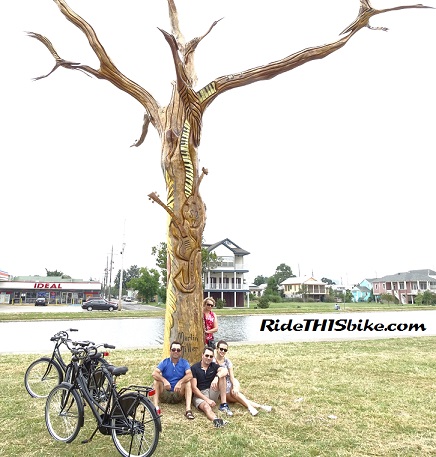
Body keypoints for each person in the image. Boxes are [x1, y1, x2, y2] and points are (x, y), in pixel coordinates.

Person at [214, 340, 272, 416]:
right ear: (217, 349)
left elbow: (232, 376)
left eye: (225, 350)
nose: (223, 351)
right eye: (221, 349)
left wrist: (234, 387)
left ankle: (251, 408)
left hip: (231, 382)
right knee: (237, 399)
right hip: (223, 387)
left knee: (235, 393)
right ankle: (261, 406)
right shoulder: (212, 360)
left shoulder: (228, 361)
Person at [190, 345, 233, 427]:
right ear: (202, 355)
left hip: (212, 391)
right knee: (206, 406)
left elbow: (225, 370)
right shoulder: (195, 368)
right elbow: (194, 388)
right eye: (206, 355)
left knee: (222, 376)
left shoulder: (213, 366)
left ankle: (224, 404)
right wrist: (207, 400)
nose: (208, 358)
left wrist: (217, 377)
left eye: (211, 356)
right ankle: (216, 420)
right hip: (200, 395)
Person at [151, 340, 195, 420]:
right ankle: (155, 408)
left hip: (177, 393)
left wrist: (180, 382)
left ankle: (188, 410)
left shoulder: (184, 363)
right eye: (173, 349)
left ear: (181, 352)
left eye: (178, 350)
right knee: (156, 381)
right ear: (170, 351)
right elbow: (154, 373)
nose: (176, 352)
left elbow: (190, 375)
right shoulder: (165, 362)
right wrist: (164, 380)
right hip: (165, 393)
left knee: (188, 383)